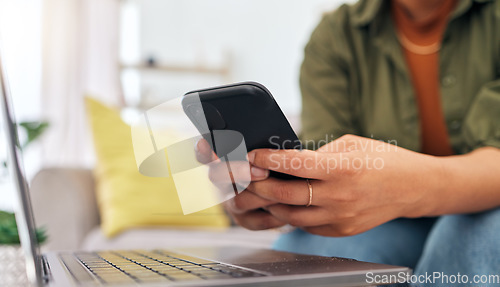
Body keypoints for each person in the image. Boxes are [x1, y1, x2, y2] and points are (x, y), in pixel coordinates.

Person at [197, 0, 500, 283]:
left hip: (489, 203)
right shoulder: (337, 36)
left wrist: (411, 187)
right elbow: (323, 158)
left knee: (475, 239)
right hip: (389, 223)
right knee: (305, 256)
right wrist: (271, 195)